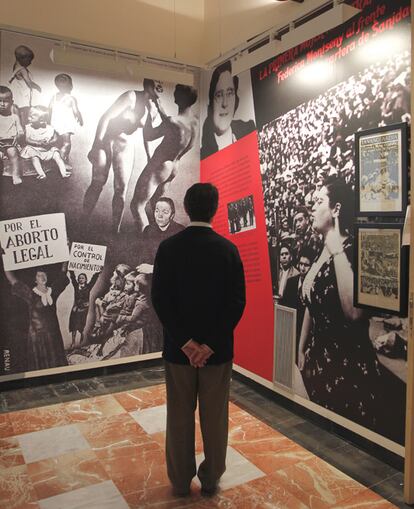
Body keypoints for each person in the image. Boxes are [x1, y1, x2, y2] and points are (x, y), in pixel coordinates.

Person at [152, 183, 246, 497]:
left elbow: (161, 300)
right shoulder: (228, 250)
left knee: (179, 416)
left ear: (187, 208)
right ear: (215, 208)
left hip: (179, 353)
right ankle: (210, 478)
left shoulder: (168, 248)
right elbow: (236, 303)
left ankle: (180, 481)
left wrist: (186, 343)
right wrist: (208, 345)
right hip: (216, 354)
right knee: (215, 417)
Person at [297, 176, 405, 440]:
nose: (311, 205)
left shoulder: (354, 249)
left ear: (336, 209)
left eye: (319, 200)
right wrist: (301, 349)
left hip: (348, 370)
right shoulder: (316, 248)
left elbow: (354, 313)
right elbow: (312, 302)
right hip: (319, 362)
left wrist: (337, 253)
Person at [82, 79, 162, 234]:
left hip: (125, 146)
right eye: (157, 84)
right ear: (148, 84)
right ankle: (83, 222)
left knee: (121, 190)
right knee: (97, 183)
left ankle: (115, 231)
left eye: (162, 86)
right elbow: (105, 117)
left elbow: (147, 134)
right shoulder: (130, 96)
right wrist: (96, 144)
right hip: (107, 141)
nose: (160, 88)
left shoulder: (152, 107)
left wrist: (149, 155)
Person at [130, 84, 198, 232]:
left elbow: (149, 135)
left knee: (137, 205)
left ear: (179, 98)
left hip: (161, 165)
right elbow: (176, 130)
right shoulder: (195, 123)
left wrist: (150, 116)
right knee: (155, 205)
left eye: (176, 91)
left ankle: (145, 246)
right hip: (174, 166)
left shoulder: (173, 122)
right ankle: (157, 244)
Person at [4, 263, 69, 371]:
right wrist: (4, 259)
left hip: (53, 336)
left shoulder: (52, 292)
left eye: (44, 275)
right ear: (35, 280)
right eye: (39, 276)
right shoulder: (30, 294)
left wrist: (68, 248)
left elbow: (63, 272)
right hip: (38, 337)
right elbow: (13, 280)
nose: (42, 277)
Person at [200, 60, 255, 160]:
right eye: (219, 95)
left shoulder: (249, 129)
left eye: (230, 93)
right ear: (211, 103)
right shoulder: (203, 156)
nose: (225, 103)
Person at [20, 106, 70, 179]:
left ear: (41, 120)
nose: (28, 119)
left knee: (56, 154)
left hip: (47, 149)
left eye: (31, 117)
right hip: (34, 149)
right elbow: (27, 139)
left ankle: (63, 172)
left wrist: (50, 142)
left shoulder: (49, 128)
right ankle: (41, 174)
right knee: (34, 157)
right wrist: (38, 142)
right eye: (29, 116)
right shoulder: (28, 128)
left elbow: (55, 138)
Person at [49, 73, 84, 167]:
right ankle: (61, 161)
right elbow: (76, 111)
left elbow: (49, 109)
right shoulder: (71, 98)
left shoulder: (54, 97)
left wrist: (49, 122)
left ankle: (56, 157)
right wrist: (80, 119)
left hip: (54, 123)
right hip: (65, 124)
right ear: (71, 86)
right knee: (66, 143)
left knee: (57, 142)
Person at [8, 45, 41, 125]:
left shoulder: (16, 67)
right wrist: (37, 86)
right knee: (24, 112)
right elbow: (28, 82)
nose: (30, 62)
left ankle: (21, 126)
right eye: (29, 60)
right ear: (22, 59)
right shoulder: (23, 70)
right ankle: (23, 128)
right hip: (23, 95)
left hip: (18, 94)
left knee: (19, 112)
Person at [68, 270, 99, 349]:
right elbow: (73, 279)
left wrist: (98, 272)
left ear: (85, 280)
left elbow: (94, 280)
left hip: (83, 309)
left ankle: (81, 335)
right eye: (80, 278)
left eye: (83, 278)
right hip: (75, 309)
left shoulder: (88, 287)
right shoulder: (76, 286)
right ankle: (73, 342)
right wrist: (71, 271)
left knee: (81, 325)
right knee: (73, 326)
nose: (81, 279)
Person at [0, 86, 24, 185]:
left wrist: (17, 136)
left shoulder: (14, 117)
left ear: (11, 102)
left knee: (13, 152)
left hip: (11, 143)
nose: (2, 104)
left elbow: (21, 131)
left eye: (5, 101)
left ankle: (16, 175)